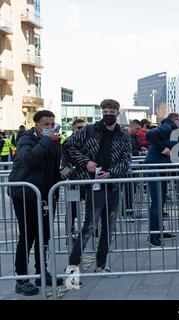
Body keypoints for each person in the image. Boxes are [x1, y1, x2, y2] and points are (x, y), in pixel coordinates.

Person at [64, 99, 132, 289]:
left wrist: (112, 172)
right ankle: (72, 271)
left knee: (108, 229)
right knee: (89, 228)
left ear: (118, 113)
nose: (108, 113)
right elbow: (69, 146)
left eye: (111, 110)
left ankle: (101, 265)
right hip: (94, 187)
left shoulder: (123, 136)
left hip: (113, 187)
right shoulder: (89, 131)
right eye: (105, 110)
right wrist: (86, 162)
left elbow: (127, 160)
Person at [9, 110, 64, 296]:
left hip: (46, 195)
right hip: (25, 194)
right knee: (28, 235)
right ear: (37, 125)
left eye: (52, 124)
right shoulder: (26, 139)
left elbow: (55, 166)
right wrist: (47, 140)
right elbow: (29, 159)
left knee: (44, 235)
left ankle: (42, 272)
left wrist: (64, 174)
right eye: (46, 124)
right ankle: (22, 279)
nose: (50, 128)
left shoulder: (55, 143)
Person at [145, 113, 179, 246]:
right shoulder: (168, 125)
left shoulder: (171, 128)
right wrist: (164, 148)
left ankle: (159, 230)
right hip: (155, 168)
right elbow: (150, 135)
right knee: (157, 201)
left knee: (161, 200)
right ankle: (153, 235)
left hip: (161, 169)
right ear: (175, 120)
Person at [61, 119, 87, 237]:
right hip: (73, 181)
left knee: (91, 207)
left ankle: (92, 231)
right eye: (79, 128)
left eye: (83, 128)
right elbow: (66, 163)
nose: (82, 130)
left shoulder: (88, 141)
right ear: (73, 129)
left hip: (88, 180)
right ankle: (69, 234)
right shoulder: (67, 142)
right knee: (72, 209)